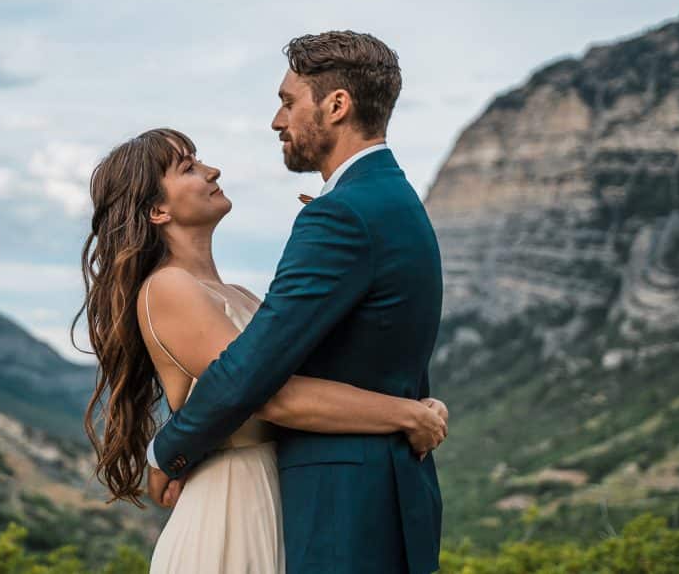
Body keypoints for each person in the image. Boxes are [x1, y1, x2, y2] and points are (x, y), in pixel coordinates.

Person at [76, 123, 448, 573]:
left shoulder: (240, 296)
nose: (213, 171)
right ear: (157, 209)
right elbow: (270, 395)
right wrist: (407, 415)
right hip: (229, 513)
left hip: (276, 499)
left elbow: (320, 376)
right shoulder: (169, 289)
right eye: (189, 167)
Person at [145, 32, 445, 573]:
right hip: (374, 492)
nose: (277, 122)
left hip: (344, 505)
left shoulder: (342, 215)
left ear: (336, 106)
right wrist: (413, 411)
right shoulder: (394, 200)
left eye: (288, 102)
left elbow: (249, 376)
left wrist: (168, 452)